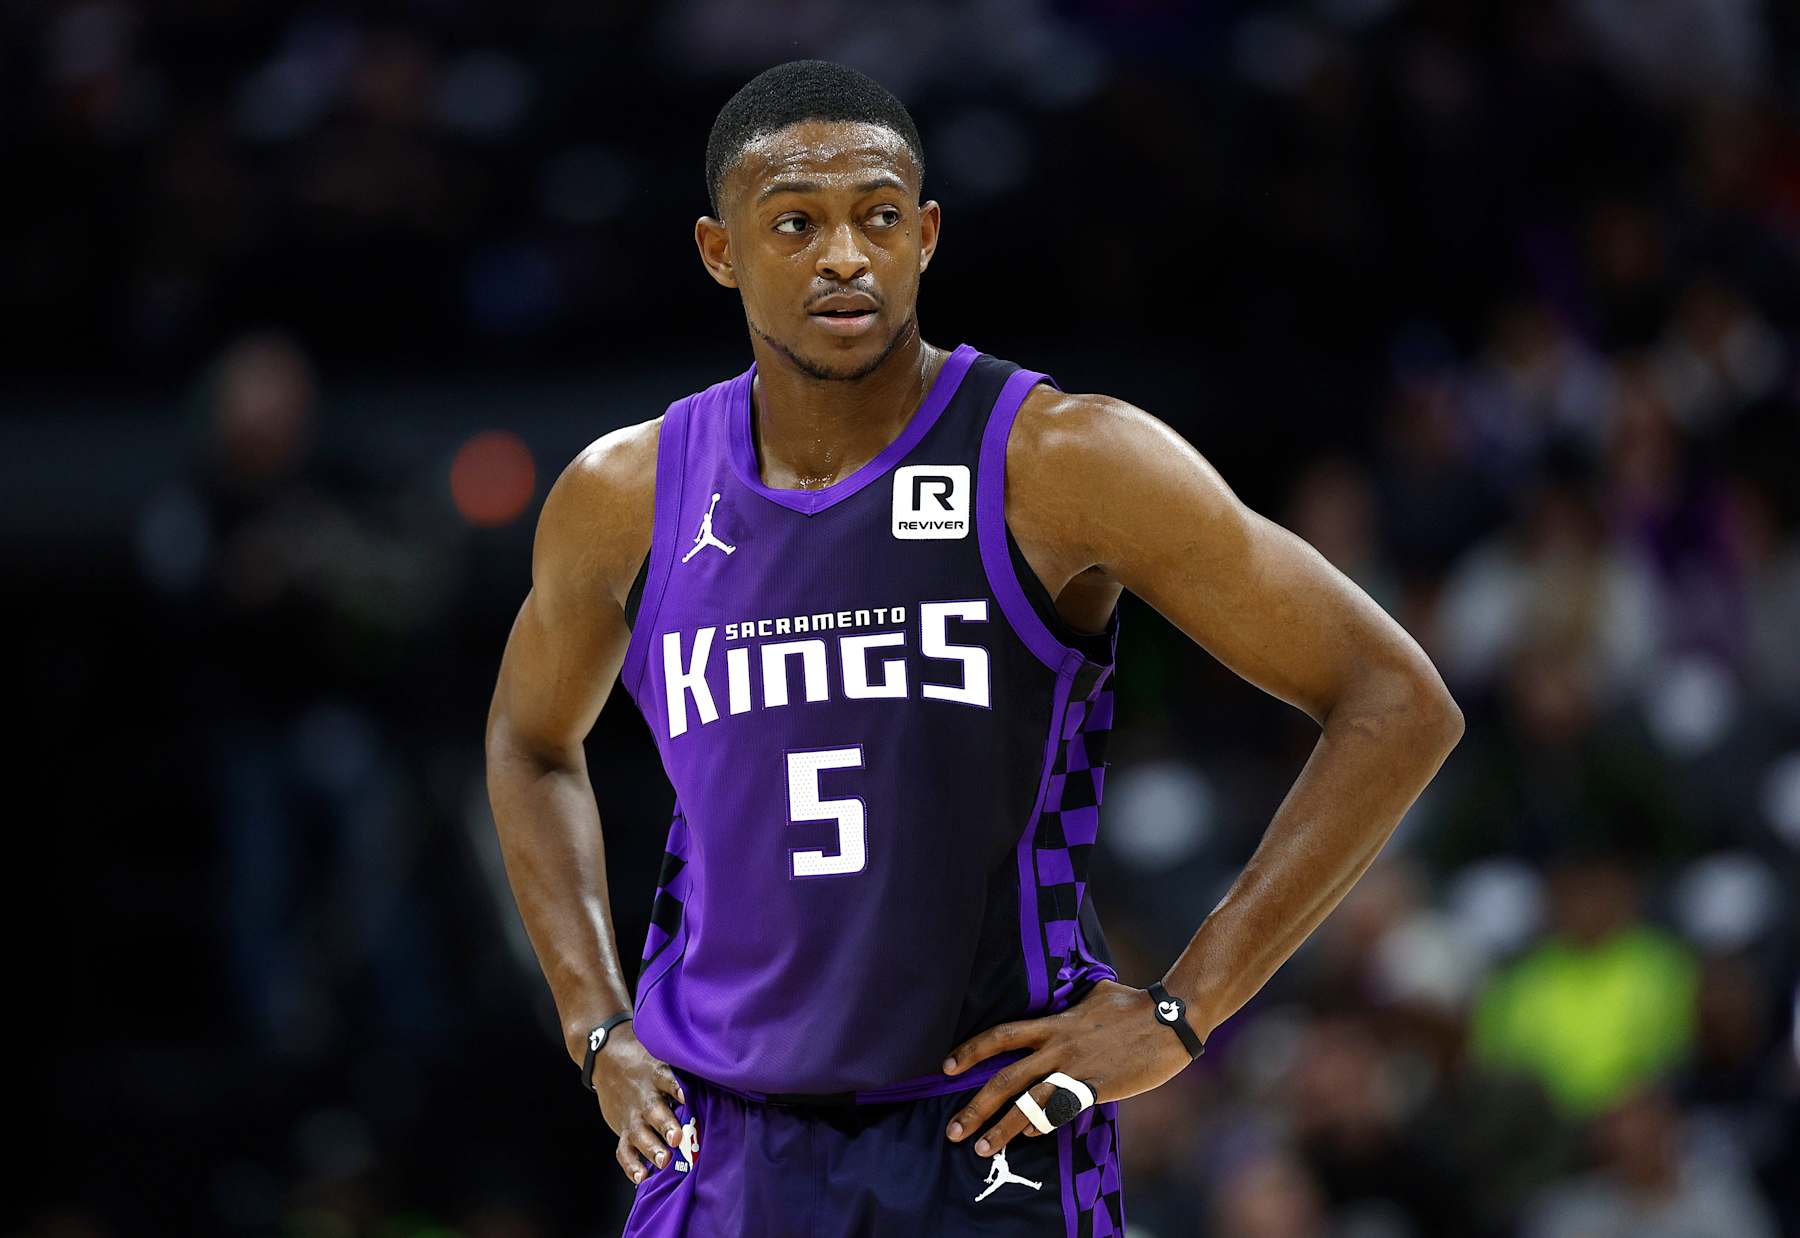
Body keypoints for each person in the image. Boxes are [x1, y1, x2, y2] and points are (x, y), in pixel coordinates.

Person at [483, 59, 1463, 1237]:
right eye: (795, 223)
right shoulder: (624, 493)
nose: (844, 254)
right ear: (718, 250)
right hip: (721, 1137)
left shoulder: (1064, 459)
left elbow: (1396, 700)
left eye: (878, 218)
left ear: (927, 235)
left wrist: (1183, 1008)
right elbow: (530, 738)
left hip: (983, 1130)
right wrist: (595, 1024)